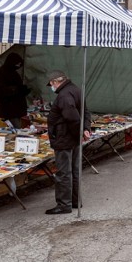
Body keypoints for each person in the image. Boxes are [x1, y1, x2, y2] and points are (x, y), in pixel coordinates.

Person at [45, 70, 91, 214]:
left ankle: (64, 204)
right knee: (74, 170)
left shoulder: (64, 95)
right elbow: (85, 112)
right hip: (72, 137)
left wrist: (80, 132)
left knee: (64, 172)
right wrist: (85, 129)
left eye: (51, 84)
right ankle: (75, 200)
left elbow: (73, 117)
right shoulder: (75, 89)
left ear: (55, 82)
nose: (52, 87)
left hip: (65, 137)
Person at [0, 53, 31, 128]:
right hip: (8, 110)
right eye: (17, 64)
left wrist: (22, 90)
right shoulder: (0, 74)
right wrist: (16, 89)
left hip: (16, 109)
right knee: (15, 129)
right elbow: (1, 91)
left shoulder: (13, 72)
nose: (18, 66)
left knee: (18, 128)